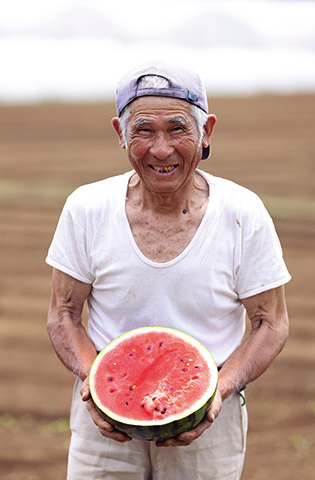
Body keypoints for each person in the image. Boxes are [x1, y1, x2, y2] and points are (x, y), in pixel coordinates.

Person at [46, 61, 291, 480]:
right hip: (102, 426)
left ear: (207, 131)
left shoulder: (242, 212)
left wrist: (220, 390)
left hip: (209, 417)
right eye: (143, 130)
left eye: (178, 128)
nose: (161, 149)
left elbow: (272, 322)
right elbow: (63, 314)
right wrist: (96, 385)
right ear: (121, 135)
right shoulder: (86, 208)